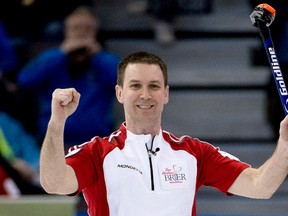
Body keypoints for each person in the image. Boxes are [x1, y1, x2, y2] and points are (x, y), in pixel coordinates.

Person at [39, 51, 288, 216]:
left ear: (166, 94)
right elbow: (53, 183)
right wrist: (56, 122)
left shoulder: (194, 153)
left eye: (154, 86)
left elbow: (261, 186)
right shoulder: (97, 153)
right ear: (119, 93)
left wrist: (286, 143)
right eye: (135, 85)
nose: (145, 94)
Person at [17, 6, 121, 147]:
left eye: (87, 29)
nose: (81, 34)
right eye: (76, 28)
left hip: (96, 142)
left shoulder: (106, 61)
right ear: (66, 31)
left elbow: (125, 82)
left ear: (96, 32)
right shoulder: (52, 58)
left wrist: (97, 55)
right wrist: (62, 52)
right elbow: (24, 80)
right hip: (54, 141)